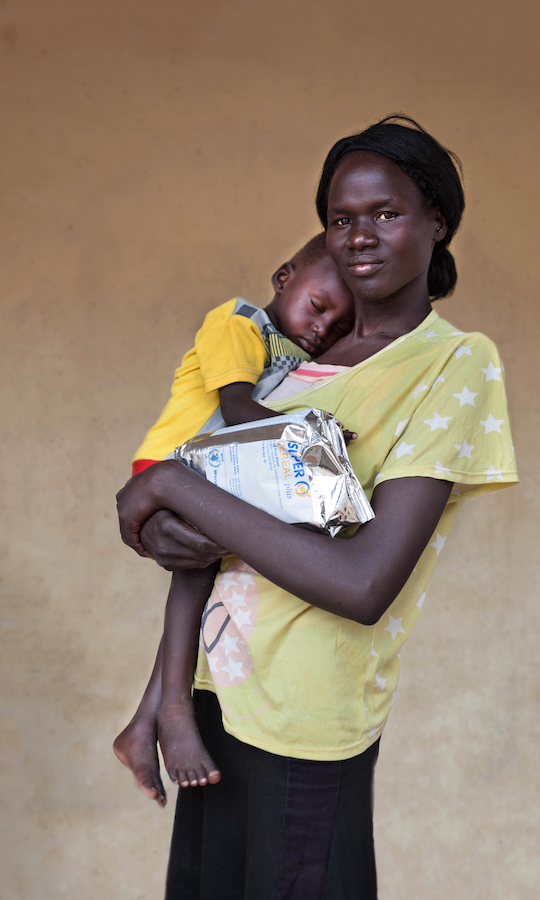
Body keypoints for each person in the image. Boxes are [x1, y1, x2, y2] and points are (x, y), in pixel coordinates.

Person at [114, 116, 517, 898]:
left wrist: (170, 488)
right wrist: (163, 525)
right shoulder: (291, 358)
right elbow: (213, 535)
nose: (358, 237)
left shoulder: (455, 362)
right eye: (340, 219)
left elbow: (363, 585)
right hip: (209, 698)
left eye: (386, 215)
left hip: (306, 721)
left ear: (438, 222)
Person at [114, 236, 355, 801]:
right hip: (175, 464)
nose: (323, 330)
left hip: (216, 472)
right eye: (320, 308)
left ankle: (143, 722)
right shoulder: (237, 322)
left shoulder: (297, 355)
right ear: (283, 277)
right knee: (195, 573)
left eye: (339, 327)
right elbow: (237, 408)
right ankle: (174, 709)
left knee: (200, 577)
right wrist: (306, 436)